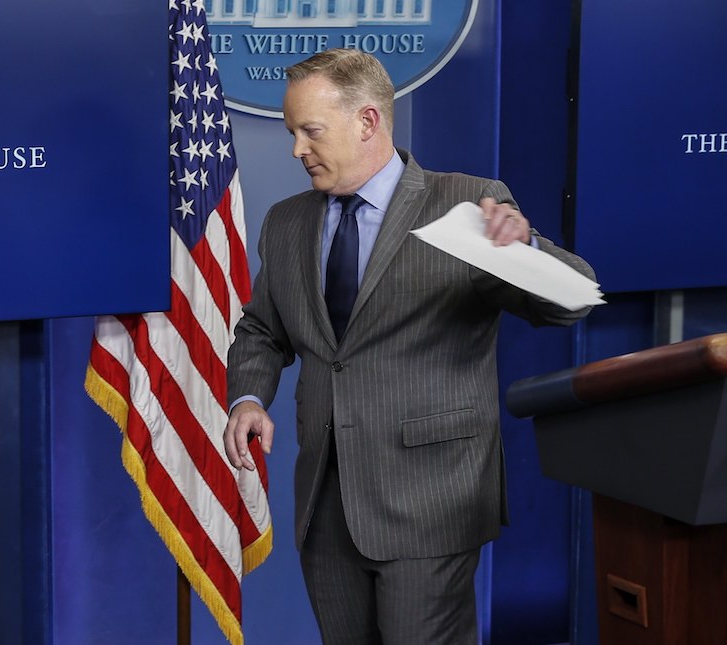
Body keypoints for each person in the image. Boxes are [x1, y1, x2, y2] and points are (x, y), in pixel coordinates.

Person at [223, 48, 595, 644]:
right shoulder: (287, 222)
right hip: (326, 506)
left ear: (367, 122)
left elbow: (569, 303)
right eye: (293, 132)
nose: (297, 149)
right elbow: (263, 331)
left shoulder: (467, 204)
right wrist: (247, 397)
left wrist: (526, 253)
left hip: (431, 502)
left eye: (310, 132)